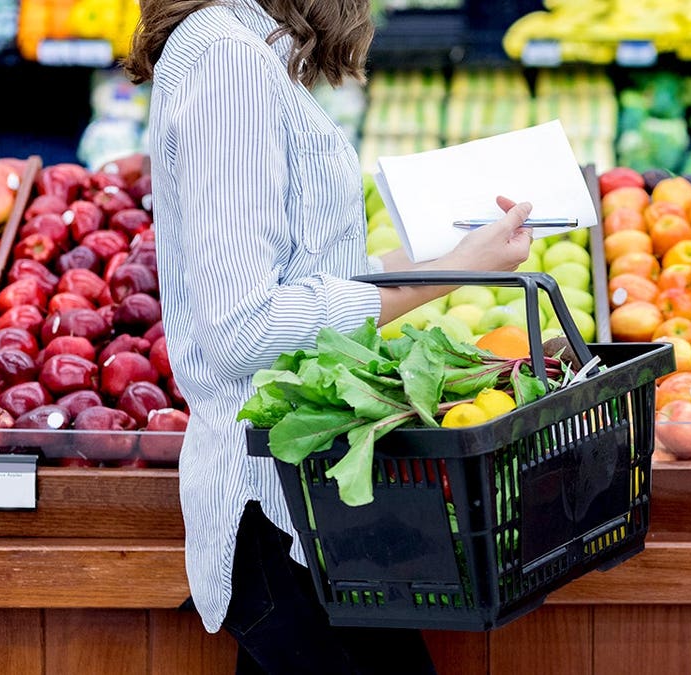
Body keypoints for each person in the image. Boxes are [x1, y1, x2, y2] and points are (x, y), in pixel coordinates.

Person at [122, 1, 533, 672]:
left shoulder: (246, 51)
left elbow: (305, 280)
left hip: (313, 508)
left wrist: (458, 258)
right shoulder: (228, 60)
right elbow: (241, 327)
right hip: (272, 506)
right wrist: (440, 281)